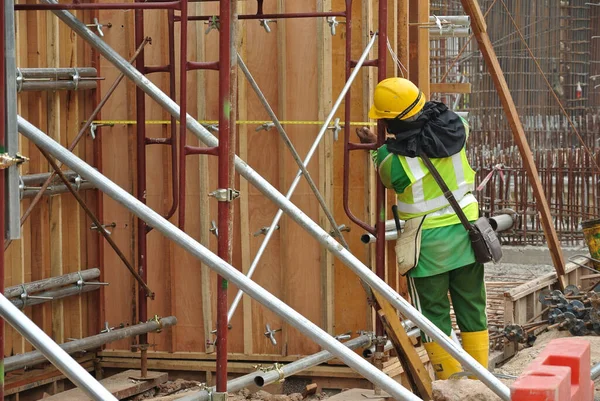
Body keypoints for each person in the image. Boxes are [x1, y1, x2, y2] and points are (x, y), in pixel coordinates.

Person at [356, 77, 488, 380]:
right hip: (468, 233)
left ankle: (450, 384)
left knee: (432, 315)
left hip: (427, 246)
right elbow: (432, 128)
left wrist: (376, 148)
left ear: (390, 120)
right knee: (472, 305)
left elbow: (391, 176)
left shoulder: (392, 161)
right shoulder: (457, 129)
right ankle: (482, 379)